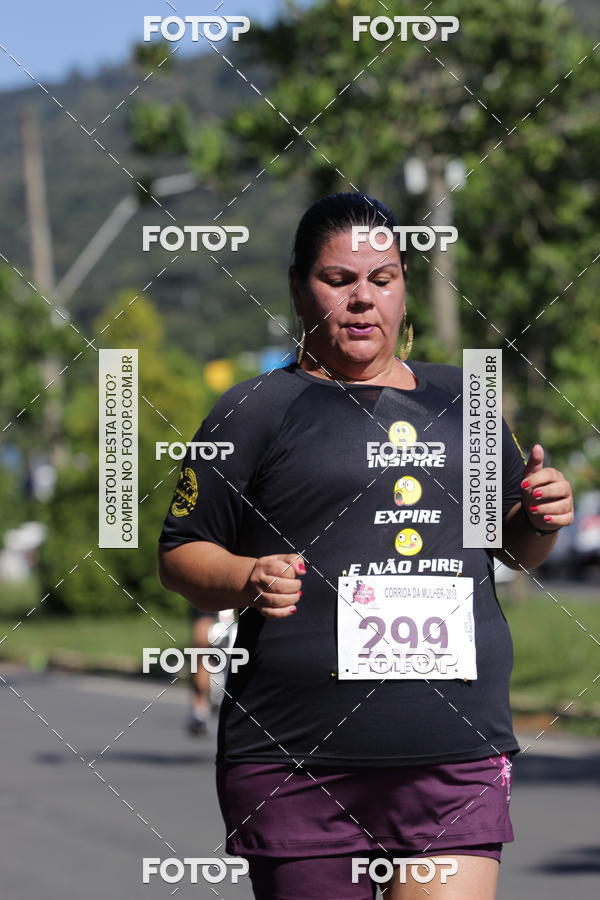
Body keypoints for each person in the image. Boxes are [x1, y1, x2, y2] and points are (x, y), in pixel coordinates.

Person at [158, 193, 574, 900]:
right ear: (299, 288)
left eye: (382, 279)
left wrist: (541, 516)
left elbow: (513, 548)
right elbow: (180, 554)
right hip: (296, 761)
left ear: (404, 287)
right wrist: (248, 575)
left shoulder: (466, 401)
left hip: (455, 753)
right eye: (338, 279)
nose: (362, 299)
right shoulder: (252, 410)